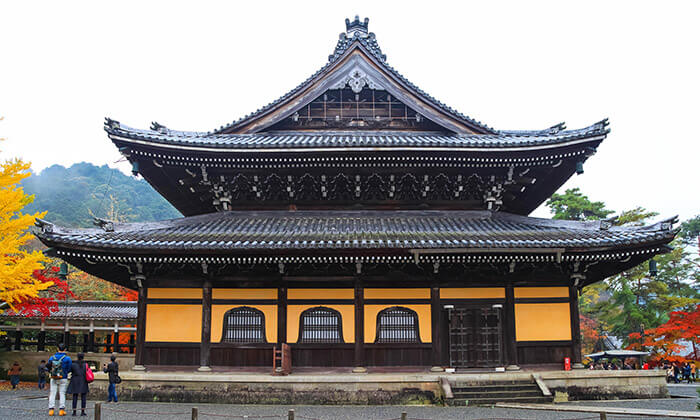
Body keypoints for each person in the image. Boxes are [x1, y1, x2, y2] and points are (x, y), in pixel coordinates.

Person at [47, 343, 72, 416]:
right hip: (63, 377)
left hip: (54, 377)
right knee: (62, 393)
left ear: (58, 349)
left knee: (52, 393)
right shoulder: (67, 358)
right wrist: (65, 372)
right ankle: (61, 410)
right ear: (65, 349)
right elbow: (70, 368)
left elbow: (48, 366)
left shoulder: (52, 357)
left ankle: (51, 409)